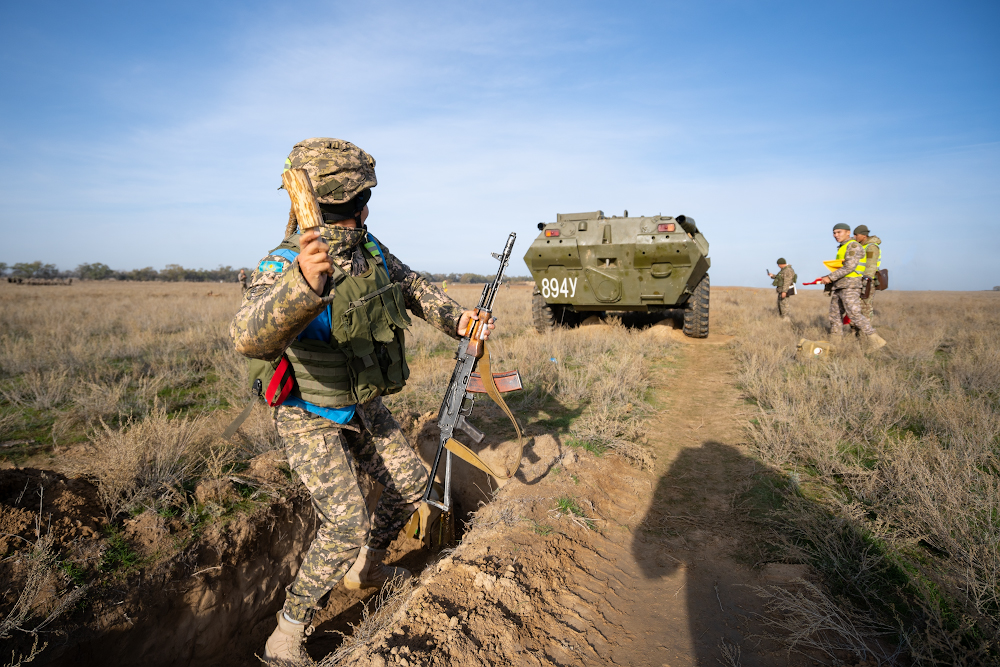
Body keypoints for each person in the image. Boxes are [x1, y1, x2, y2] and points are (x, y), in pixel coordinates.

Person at [230, 138, 496, 662]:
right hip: (306, 408)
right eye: (355, 204)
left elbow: (413, 286)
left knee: (408, 484)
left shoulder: (370, 249)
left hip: (361, 400)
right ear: (335, 207)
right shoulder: (282, 265)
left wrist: (459, 319)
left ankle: (368, 569)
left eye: (364, 203)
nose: (365, 211)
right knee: (346, 519)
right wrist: (303, 286)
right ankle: (288, 629)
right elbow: (247, 337)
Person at [820, 223, 886, 348]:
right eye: (834, 233)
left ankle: (876, 340)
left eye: (839, 232)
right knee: (834, 316)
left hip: (850, 285)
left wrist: (830, 277)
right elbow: (840, 267)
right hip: (839, 285)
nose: (835, 235)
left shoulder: (853, 246)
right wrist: (828, 278)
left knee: (854, 314)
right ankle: (835, 345)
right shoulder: (843, 247)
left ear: (848, 232)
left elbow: (850, 266)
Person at [853, 225, 881, 322]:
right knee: (855, 307)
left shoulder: (871, 247)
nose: (854, 237)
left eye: (856, 235)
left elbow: (871, 265)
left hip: (867, 281)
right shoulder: (861, 246)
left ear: (864, 236)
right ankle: (854, 332)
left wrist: (866, 280)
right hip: (857, 280)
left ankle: (866, 334)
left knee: (865, 307)